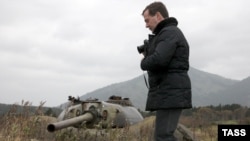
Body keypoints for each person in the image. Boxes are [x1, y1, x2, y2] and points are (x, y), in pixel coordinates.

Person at [140, 2, 192, 141]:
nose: (146, 25)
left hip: (170, 93)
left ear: (157, 15)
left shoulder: (169, 32)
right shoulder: (167, 33)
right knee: (163, 136)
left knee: (163, 136)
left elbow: (159, 60)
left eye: (147, 20)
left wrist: (144, 61)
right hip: (168, 93)